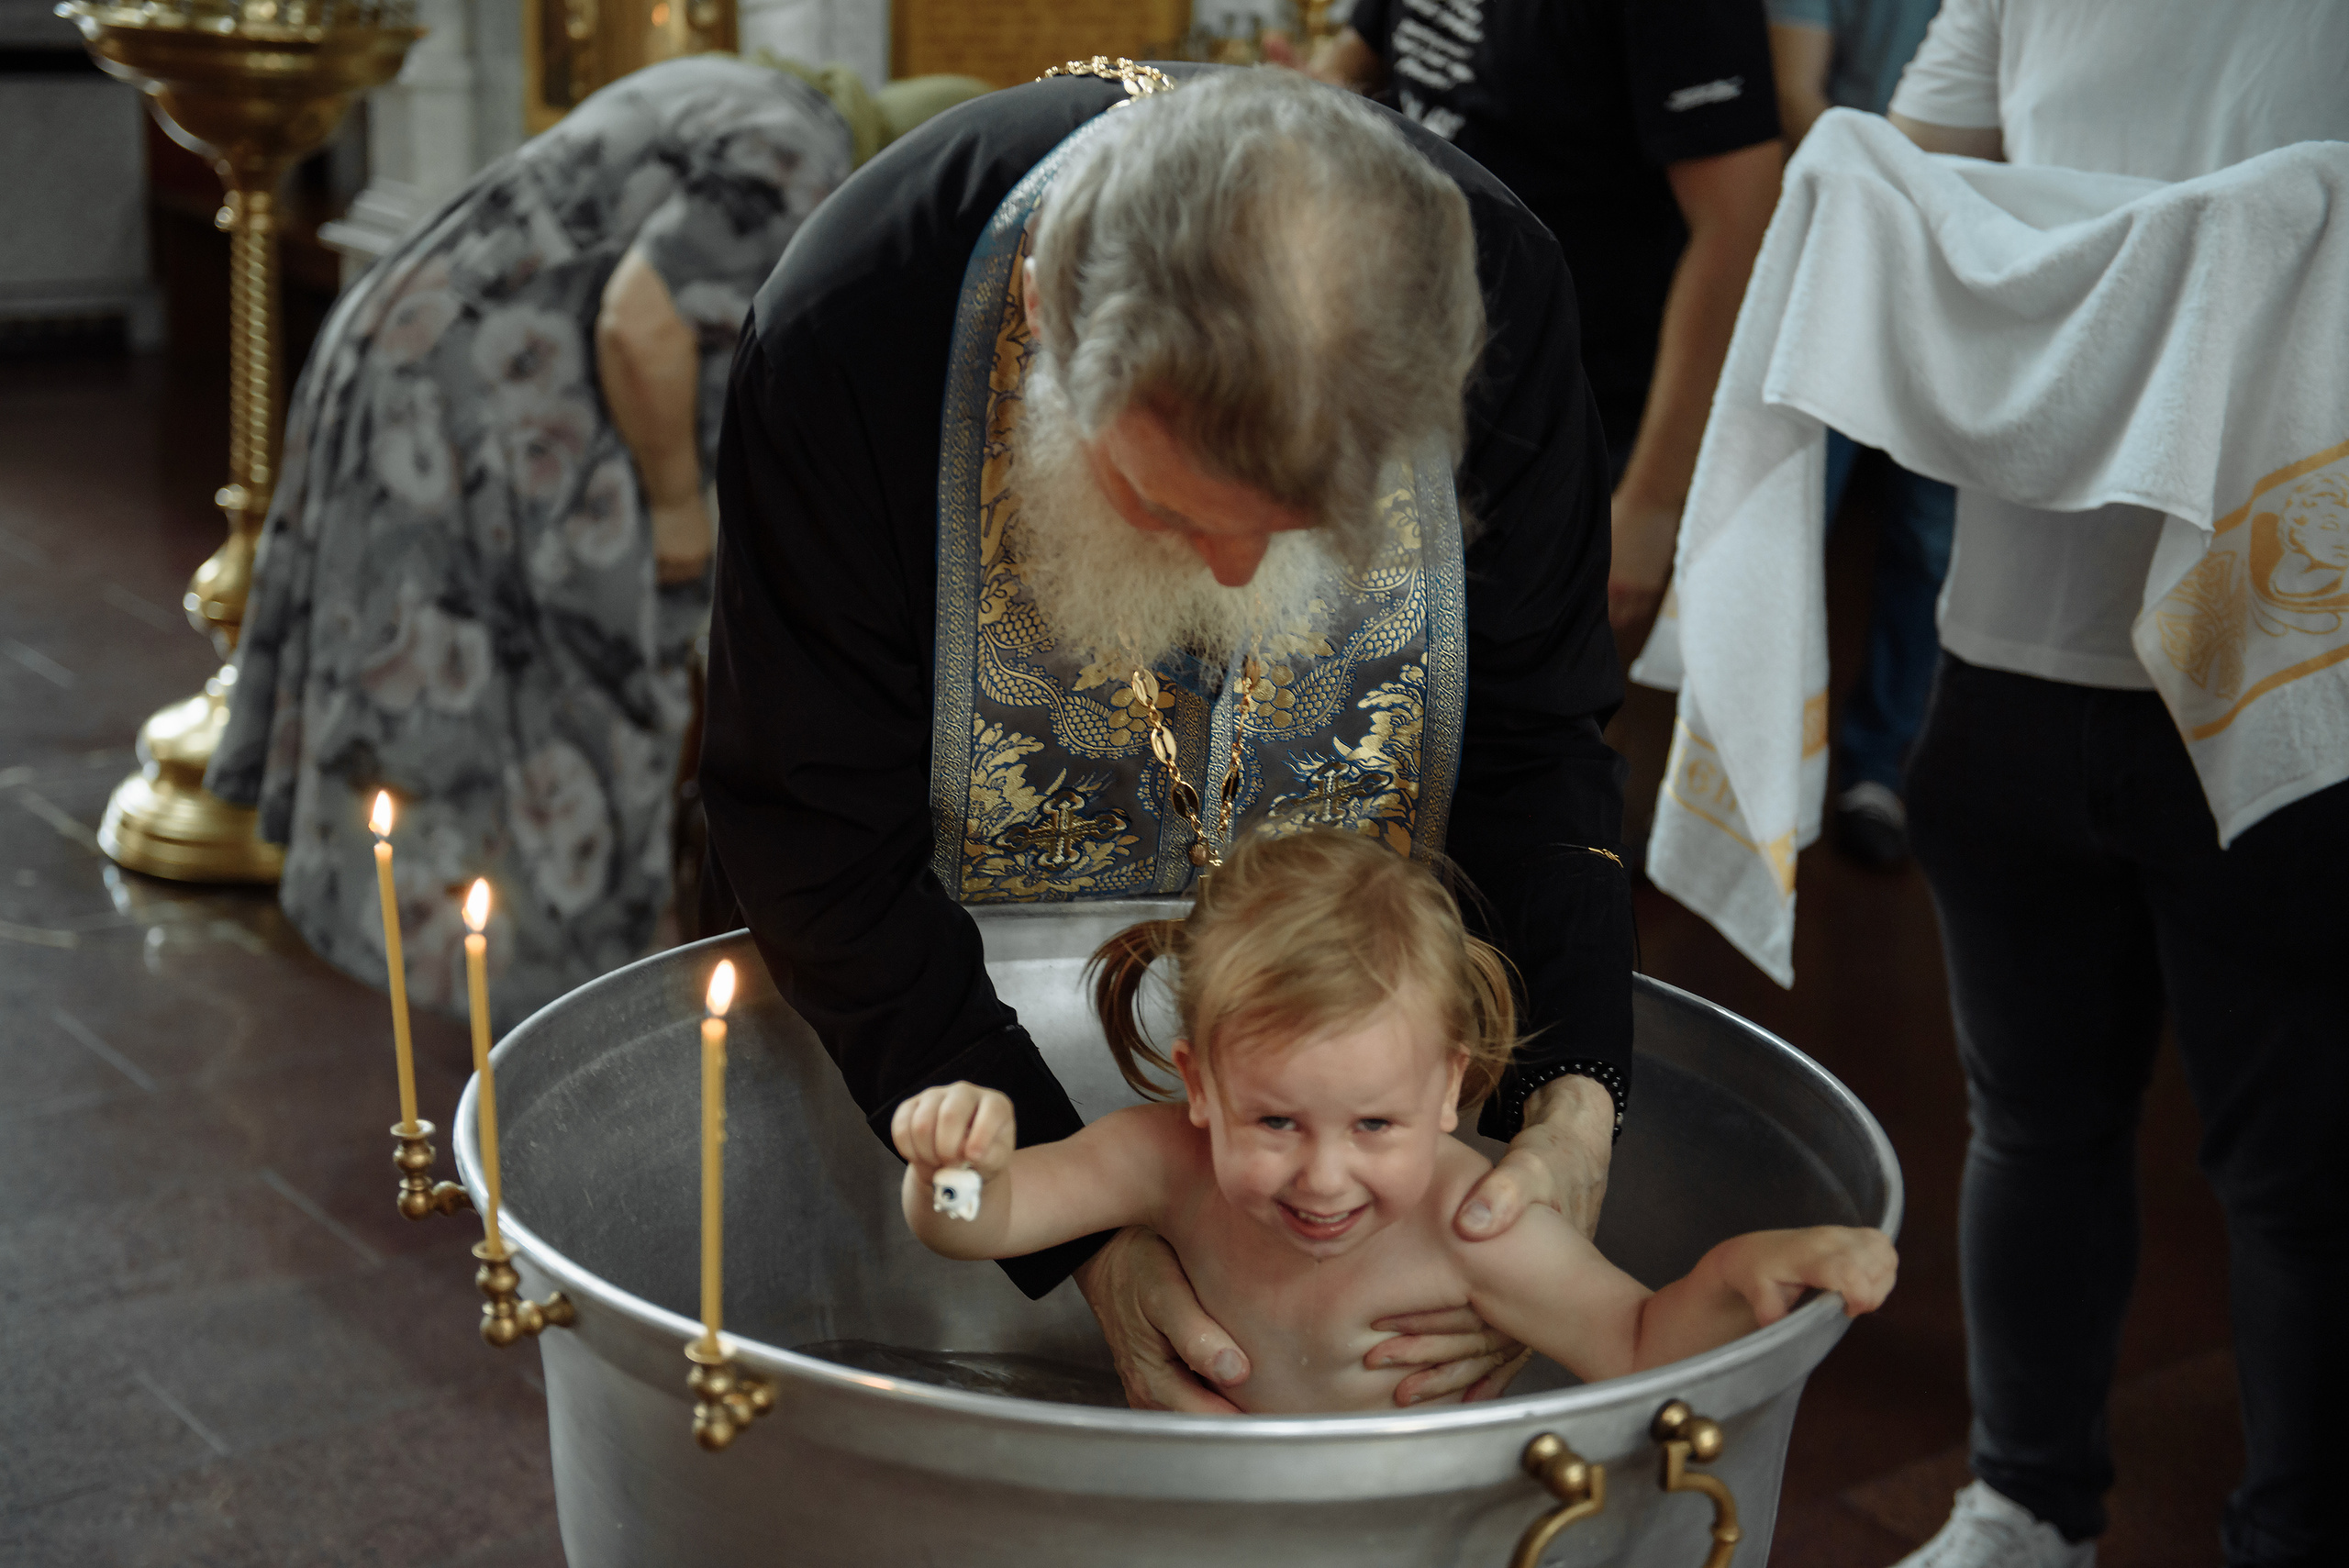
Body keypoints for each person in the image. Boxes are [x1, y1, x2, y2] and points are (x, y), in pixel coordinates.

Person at [702, 64, 1635, 1413]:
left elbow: (1536, 733)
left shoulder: (1493, 291)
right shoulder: (851, 336)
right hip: (911, 1019)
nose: (1238, 577)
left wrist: (1572, 1107)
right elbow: (812, 826)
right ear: (1046, 324)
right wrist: (1084, 1241)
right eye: (1169, 508)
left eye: (1301, 524)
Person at [207, 55, 980, 1025]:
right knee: (542, 691)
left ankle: (473, 973)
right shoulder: (799, 153)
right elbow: (640, 323)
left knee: (452, 679)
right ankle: (552, 1011)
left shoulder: (756, 92)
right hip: (472, 405)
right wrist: (676, 505)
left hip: (415, 357)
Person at [1876, 4, 2349, 1565]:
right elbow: (1904, 190)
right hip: (2010, 640)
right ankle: (2023, 1502)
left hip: (2287, 662)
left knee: (2296, 1173)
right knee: (2030, 1119)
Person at [890, 829, 1897, 1412]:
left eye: (1374, 1124)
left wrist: (1737, 1275)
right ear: (1200, 1084)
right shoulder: (1164, 1161)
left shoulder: (1470, 1225)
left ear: (1449, 1087)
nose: (1323, 1177)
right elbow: (977, 1225)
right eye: (1275, 1121)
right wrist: (952, 1169)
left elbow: (1636, 1342)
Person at [1276, 0, 1783, 652]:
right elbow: (1363, 57)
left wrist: (1651, 502)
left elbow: (1739, 229)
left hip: (1572, 428)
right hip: (1410, 403)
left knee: (1535, 692)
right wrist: (1306, 98)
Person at [1765, 0, 1953, 865]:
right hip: (1842, 256)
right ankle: (1757, 765)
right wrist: (1908, 207)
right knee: (1789, 521)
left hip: (1967, 275)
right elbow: (1795, 91)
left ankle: (1880, 768)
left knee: (1932, 537)